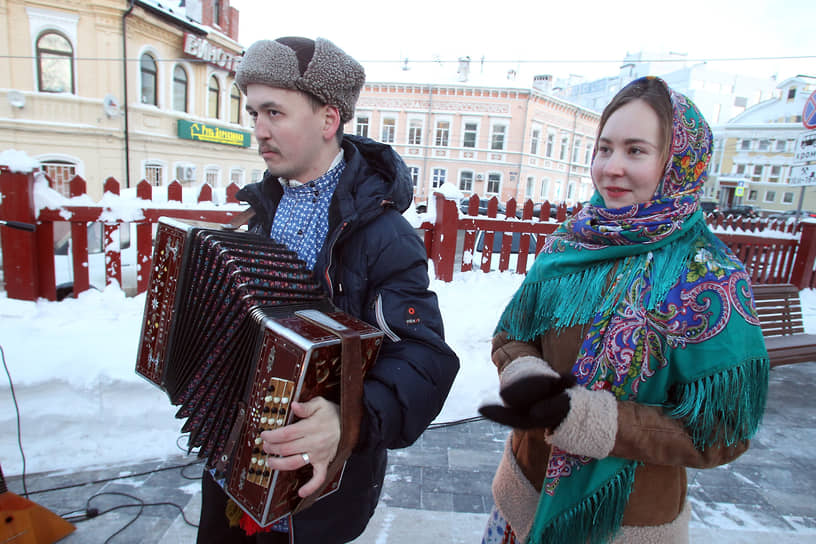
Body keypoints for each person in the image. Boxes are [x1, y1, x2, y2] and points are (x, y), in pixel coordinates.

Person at [478, 76, 769, 544]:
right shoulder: (572, 241)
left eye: (635, 151)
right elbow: (511, 334)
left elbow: (721, 431)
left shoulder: (710, 277)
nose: (611, 167)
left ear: (678, 164)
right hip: (521, 503)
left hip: (621, 525)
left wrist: (587, 420)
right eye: (605, 148)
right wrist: (524, 374)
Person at [196, 36, 460, 543]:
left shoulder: (385, 236)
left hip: (317, 489)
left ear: (328, 119)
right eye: (253, 112)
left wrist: (347, 419)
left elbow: (424, 358)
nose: (258, 130)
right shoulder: (257, 215)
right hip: (230, 462)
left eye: (274, 112)